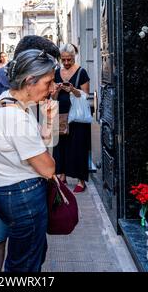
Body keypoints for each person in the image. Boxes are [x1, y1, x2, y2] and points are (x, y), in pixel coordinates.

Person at [0, 35, 60, 272]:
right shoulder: (12, 112)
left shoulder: (6, 101)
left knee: (24, 253)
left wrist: (45, 124)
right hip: (19, 192)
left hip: (3, 183)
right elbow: (48, 168)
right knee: (21, 261)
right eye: (48, 81)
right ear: (30, 77)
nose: (52, 88)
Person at [52, 43, 91, 193]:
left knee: (78, 146)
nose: (67, 63)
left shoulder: (82, 72)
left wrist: (73, 90)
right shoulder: (56, 72)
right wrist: (57, 89)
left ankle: (81, 180)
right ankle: (62, 175)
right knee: (61, 145)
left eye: (69, 59)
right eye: (64, 60)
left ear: (74, 57)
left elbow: (85, 96)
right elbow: (53, 96)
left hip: (77, 117)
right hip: (60, 114)